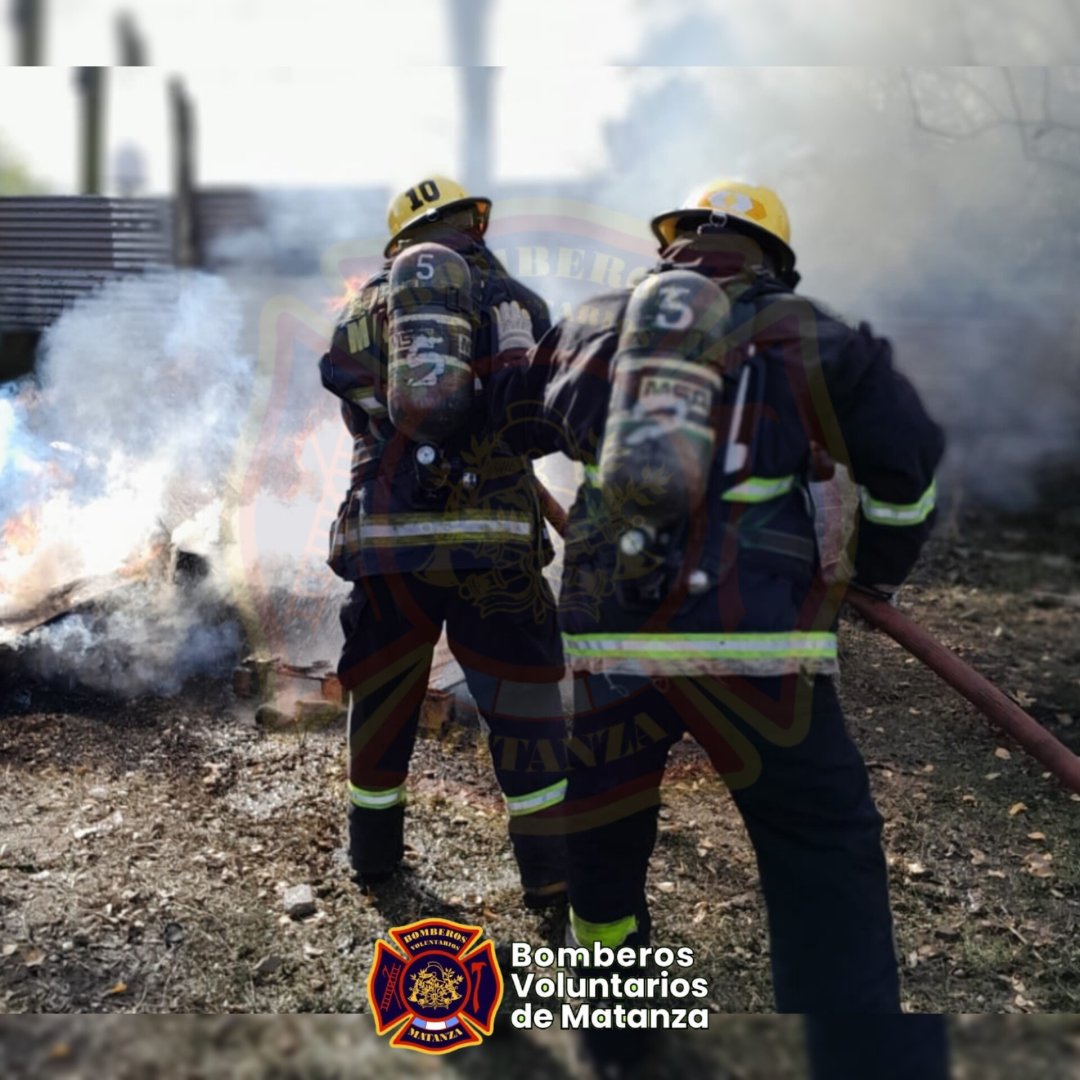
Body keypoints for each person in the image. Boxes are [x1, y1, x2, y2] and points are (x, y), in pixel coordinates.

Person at [487, 178, 950, 1076]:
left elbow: (513, 429)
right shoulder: (819, 334)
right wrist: (874, 573)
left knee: (606, 832)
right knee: (818, 851)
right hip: (757, 645)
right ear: (772, 258)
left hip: (612, 638)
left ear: (671, 248)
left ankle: (617, 1042)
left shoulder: (589, 324)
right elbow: (908, 473)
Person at [319, 175, 567, 908]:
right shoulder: (521, 302)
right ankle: (551, 880)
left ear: (399, 240)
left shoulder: (364, 309)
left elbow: (350, 396)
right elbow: (536, 414)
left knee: (385, 702)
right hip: (495, 548)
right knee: (524, 713)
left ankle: (374, 862)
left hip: (390, 547)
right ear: (475, 225)